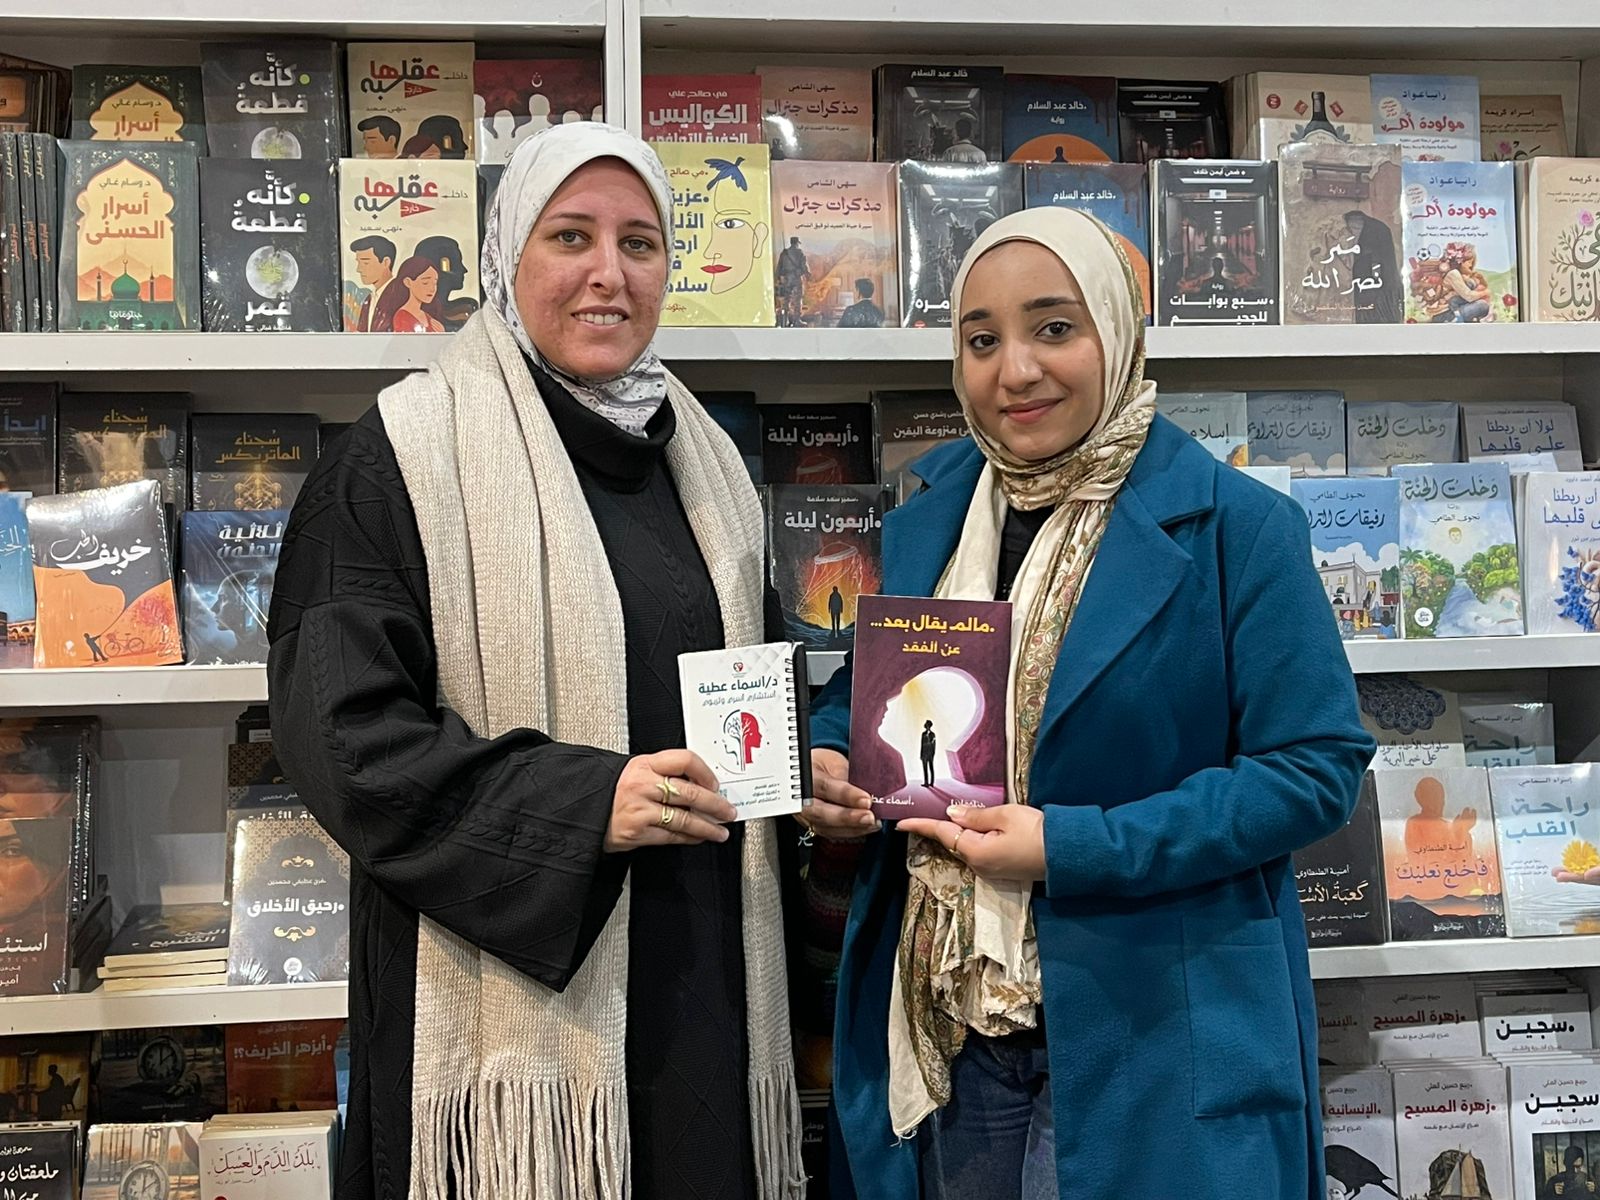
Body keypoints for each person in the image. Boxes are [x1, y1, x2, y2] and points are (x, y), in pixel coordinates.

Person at [267, 122, 813, 1200]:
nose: (609, 273)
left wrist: (803, 764)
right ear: (504, 255)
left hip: (701, 973)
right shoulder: (395, 460)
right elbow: (343, 739)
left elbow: (744, 676)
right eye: (571, 236)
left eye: (639, 243)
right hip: (507, 994)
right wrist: (584, 806)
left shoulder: (707, 464)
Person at [802, 207, 1374, 1198]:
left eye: (1054, 328)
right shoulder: (929, 516)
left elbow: (1313, 771)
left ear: (1117, 331)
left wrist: (1073, 846)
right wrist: (831, 759)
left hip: (1153, 1023)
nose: (1014, 371)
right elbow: (872, 691)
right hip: (952, 1023)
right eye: (981, 340)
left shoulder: (1238, 528)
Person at [370, 256, 447, 334]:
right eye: (425, 283)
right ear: (408, 282)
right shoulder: (402, 316)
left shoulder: (427, 317)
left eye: (435, 283)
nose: (432, 289)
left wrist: (442, 332)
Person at [346, 236, 396, 333]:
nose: (359, 269)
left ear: (386, 262)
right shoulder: (369, 298)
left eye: (365, 263)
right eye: (358, 262)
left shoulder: (398, 294)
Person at [776, 237, 810, 327]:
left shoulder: (784, 253)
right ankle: (797, 320)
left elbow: (779, 267)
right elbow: (804, 267)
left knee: (786, 300)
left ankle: (785, 320)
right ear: (797, 243)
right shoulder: (800, 253)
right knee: (798, 299)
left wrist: (778, 278)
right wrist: (808, 275)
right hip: (796, 279)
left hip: (786, 279)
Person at [920, 720, 937, 788]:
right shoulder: (923, 734)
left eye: (928, 725)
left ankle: (932, 782)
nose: (927, 726)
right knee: (925, 768)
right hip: (924, 754)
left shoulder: (933, 734)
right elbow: (922, 744)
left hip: (930, 754)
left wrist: (933, 754)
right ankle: (926, 782)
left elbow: (934, 744)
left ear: (930, 726)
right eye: (926, 725)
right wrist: (921, 754)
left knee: (931, 768)